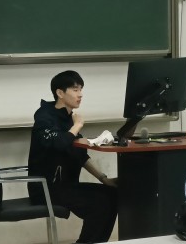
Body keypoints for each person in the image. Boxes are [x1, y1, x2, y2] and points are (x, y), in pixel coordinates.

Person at [28, 70, 118, 244]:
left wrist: (104, 179)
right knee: (99, 204)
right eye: (75, 90)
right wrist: (77, 126)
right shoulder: (44, 116)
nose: (80, 94)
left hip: (67, 186)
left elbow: (80, 156)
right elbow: (59, 143)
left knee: (113, 195)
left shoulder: (68, 118)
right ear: (60, 93)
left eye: (81, 89)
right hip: (46, 189)